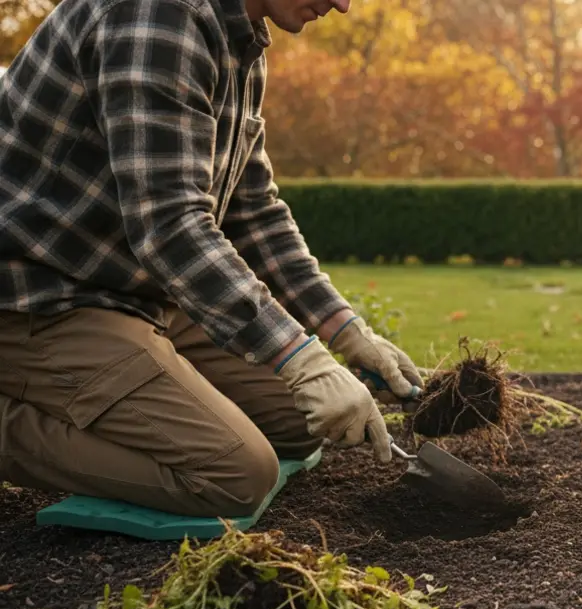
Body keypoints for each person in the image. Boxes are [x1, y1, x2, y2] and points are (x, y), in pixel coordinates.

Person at [0, 0, 422, 519]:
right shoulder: (156, 15)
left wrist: (344, 330)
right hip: (39, 296)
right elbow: (169, 225)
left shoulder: (240, 37)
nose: (343, 4)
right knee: (234, 476)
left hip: (137, 290)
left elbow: (252, 210)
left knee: (299, 422)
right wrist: (299, 357)